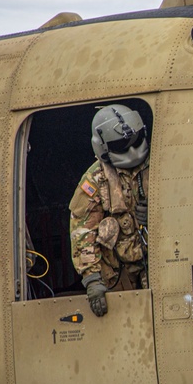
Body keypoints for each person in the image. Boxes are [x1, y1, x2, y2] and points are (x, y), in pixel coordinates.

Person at [69, 104, 150, 316]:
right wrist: (92, 280)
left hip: (155, 262)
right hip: (119, 272)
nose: (132, 150)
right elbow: (82, 231)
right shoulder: (96, 179)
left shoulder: (158, 163)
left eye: (136, 139)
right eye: (122, 144)